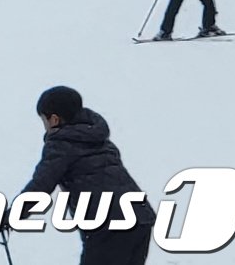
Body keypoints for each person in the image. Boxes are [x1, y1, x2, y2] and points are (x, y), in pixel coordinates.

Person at [11, 86, 156, 264]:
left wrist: (10, 216)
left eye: (44, 120)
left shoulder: (61, 144)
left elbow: (41, 185)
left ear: (54, 119)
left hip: (110, 225)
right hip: (140, 218)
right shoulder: (97, 137)